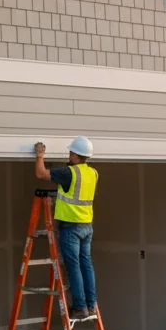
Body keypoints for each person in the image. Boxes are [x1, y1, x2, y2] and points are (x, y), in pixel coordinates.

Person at [34, 137, 98, 320]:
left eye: (71, 152)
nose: (69, 155)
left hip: (71, 227)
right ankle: (91, 305)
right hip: (87, 226)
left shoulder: (70, 173)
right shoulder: (93, 173)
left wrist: (40, 156)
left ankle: (80, 308)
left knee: (74, 267)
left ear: (76, 154)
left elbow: (41, 174)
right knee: (86, 264)